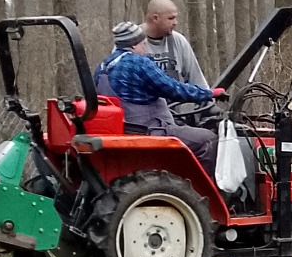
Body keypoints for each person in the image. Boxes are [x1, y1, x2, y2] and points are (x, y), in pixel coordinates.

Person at [95, 29, 223, 175]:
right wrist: (209, 93)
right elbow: (173, 89)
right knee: (208, 140)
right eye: (144, 44)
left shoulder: (103, 67)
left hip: (125, 130)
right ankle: (198, 193)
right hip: (151, 130)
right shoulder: (138, 62)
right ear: (133, 45)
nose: (145, 48)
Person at [112, 0, 208, 85]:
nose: (175, 22)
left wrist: (209, 99)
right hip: (140, 103)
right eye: (171, 18)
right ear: (155, 18)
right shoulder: (130, 40)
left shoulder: (179, 41)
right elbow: (116, 80)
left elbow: (197, 80)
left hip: (176, 102)